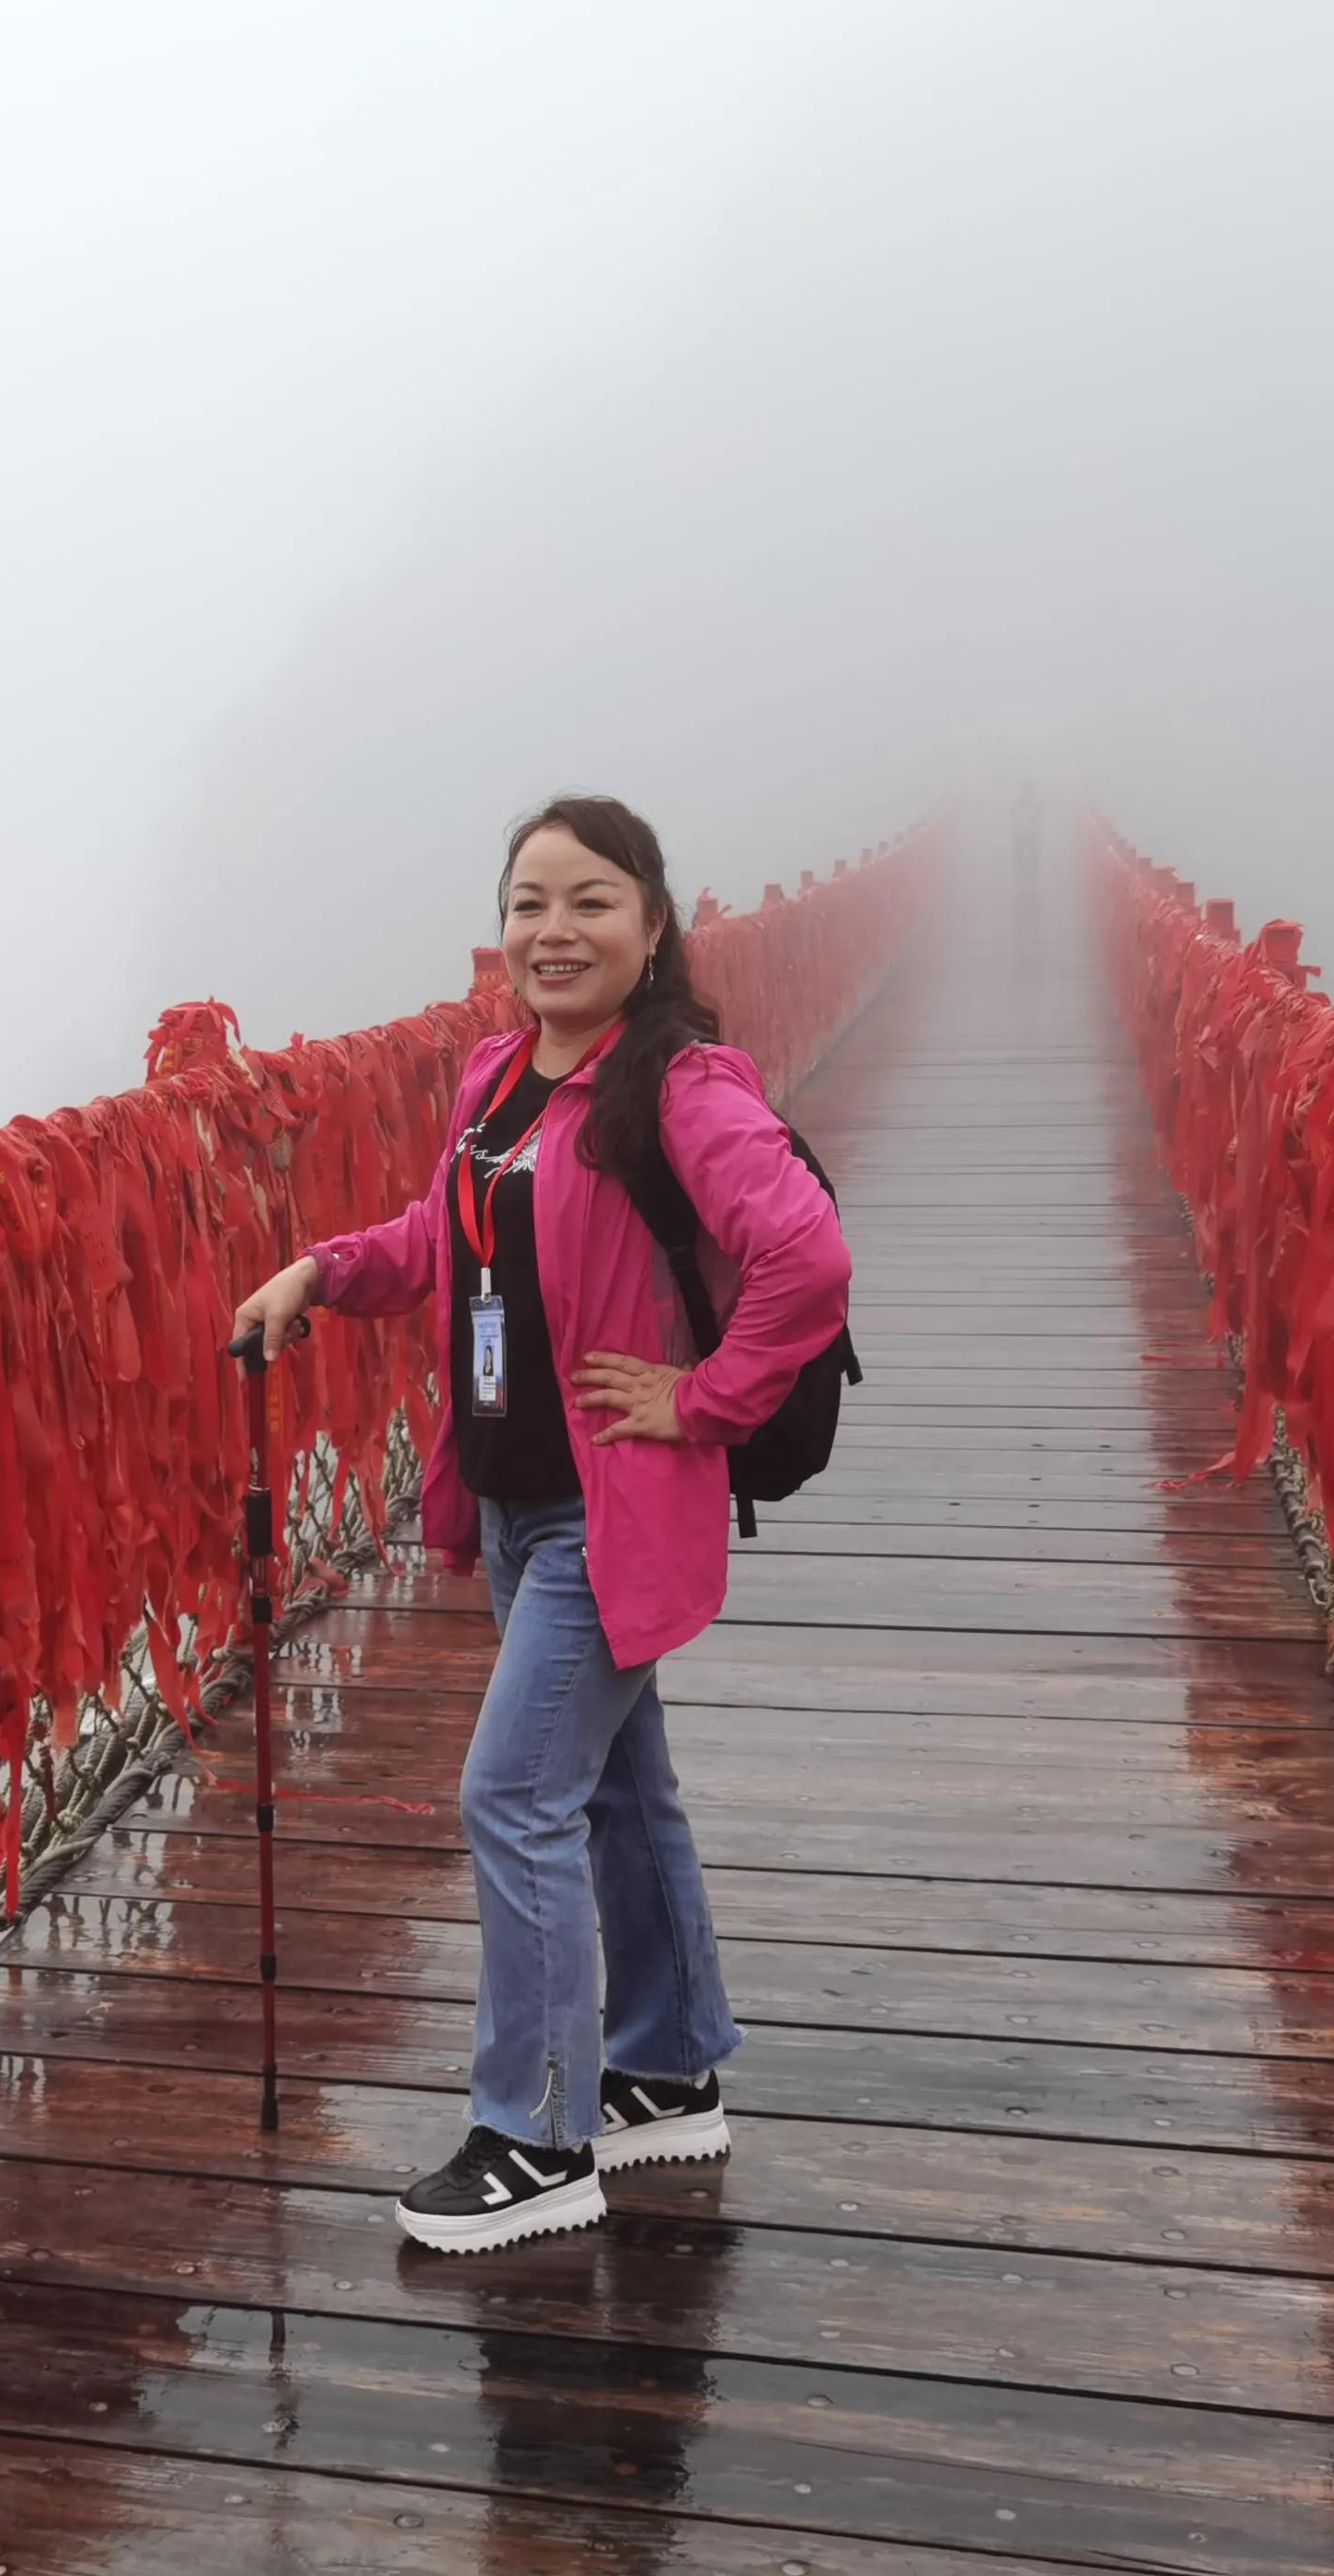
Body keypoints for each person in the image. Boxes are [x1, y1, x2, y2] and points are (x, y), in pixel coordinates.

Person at [230, 796, 852, 2253]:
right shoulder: (500, 1077)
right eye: (528, 903)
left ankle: (538, 2136)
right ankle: (669, 2065)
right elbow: (446, 1234)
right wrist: (319, 1273)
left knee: (513, 1797)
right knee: (616, 1789)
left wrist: (705, 1399)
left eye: (590, 902)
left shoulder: (681, 1086)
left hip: (610, 1510)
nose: (554, 931)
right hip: (515, 1500)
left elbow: (806, 1256)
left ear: (652, 924)